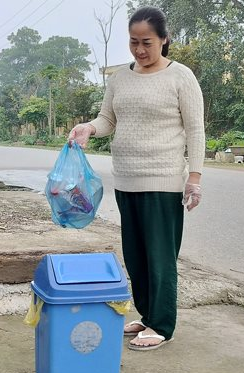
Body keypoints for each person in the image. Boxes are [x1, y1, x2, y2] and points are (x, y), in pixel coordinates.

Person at [69, 6, 205, 351]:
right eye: (133, 42)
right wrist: (88, 128)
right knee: (136, 256)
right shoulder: (120, 78)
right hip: (127, 181)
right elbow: (108, 119)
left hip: (162, 181)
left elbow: (196, 131)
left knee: (160, 257)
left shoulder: (180, 77)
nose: (140, 50)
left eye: (147, 42)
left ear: (164, 40)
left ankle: (163, 324)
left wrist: (194, 178)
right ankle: (147, 315)